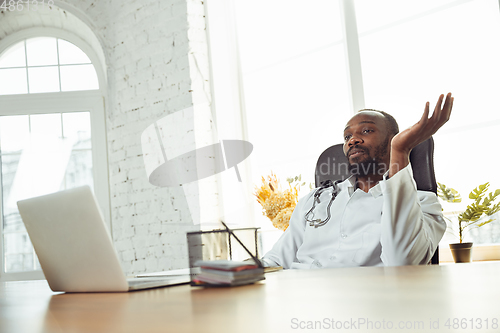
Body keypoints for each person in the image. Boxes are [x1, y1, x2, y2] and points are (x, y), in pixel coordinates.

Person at [262, 93, 454, 269]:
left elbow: (401, 263)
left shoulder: (424, 203)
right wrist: (240, 270)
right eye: (347, 136)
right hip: (301, 295)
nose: (352, 140)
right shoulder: (316, 199)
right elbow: (277, 259)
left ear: (392, 140)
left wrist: (400, 150)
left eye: (367, 130)